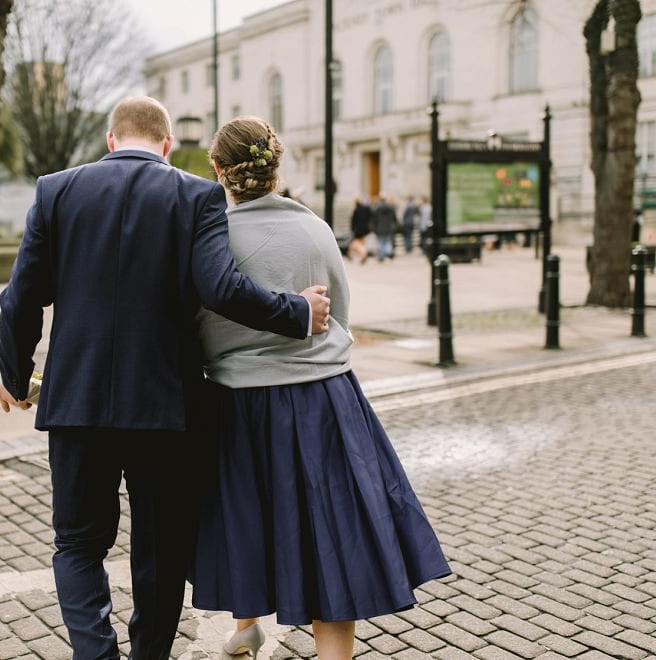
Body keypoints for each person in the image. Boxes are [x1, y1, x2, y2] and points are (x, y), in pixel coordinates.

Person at [0, 97, 331, 660]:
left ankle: (95, 654)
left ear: (110, 139)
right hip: (165, 405)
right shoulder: (196, 195)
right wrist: (296, 312)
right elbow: (221, 289)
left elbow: (20, 298)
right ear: (168, 144)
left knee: (78, 544)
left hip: (76, 402)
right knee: (160, 548)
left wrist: (14, 372)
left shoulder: (56, 190)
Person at [191, 116, 452, 659]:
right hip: (322, 397)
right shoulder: (313, 227)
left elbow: (197, 327)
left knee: (249, 515)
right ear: (276, 167)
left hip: (238, 401)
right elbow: (342, 315)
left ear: (218, 171)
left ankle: (246, 623)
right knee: (328, 532)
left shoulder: (213, 238)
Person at [370, 193, 398, 261]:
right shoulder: (391, 208)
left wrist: (373, 228)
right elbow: (394, 219)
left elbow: (374, 220)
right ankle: (388, 252)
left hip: (380, 228)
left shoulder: (376, 208)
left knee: (381, 242)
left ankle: (382, 256)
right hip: (388, 228)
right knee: (387, 241)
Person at [346, 196, 373, 263]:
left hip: (358, 230)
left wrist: (353, 229)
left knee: (357, 243)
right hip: (365, 229)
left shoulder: (356, 210)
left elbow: (353, 221)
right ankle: (350, 254)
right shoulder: (366, 209)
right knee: (358, 243)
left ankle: (363, 254)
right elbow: (370, 218)